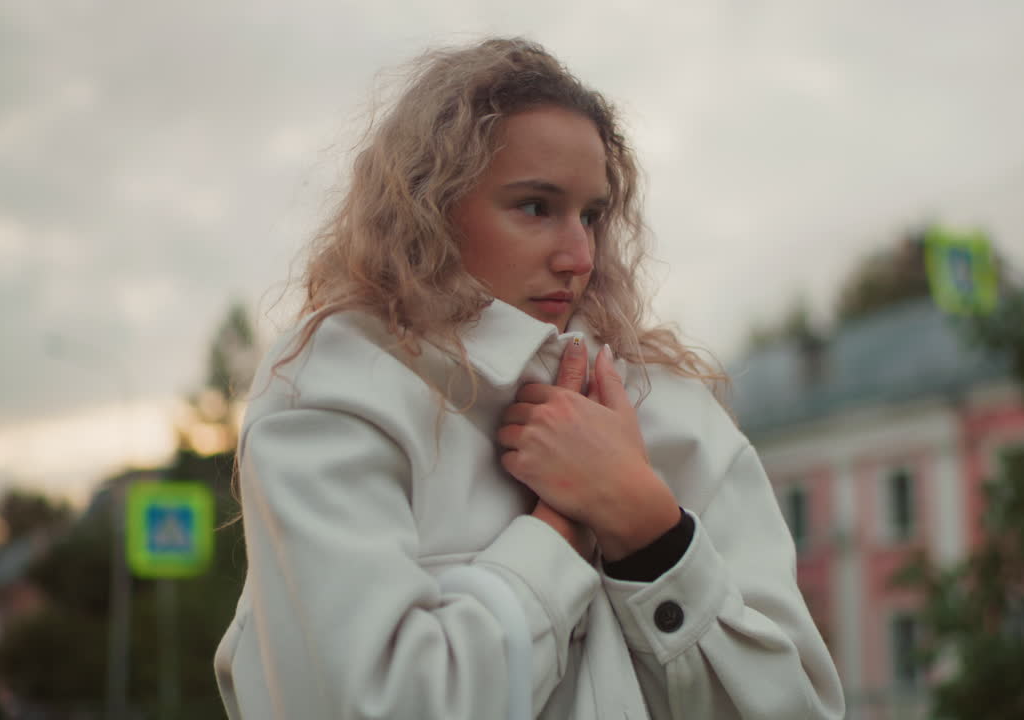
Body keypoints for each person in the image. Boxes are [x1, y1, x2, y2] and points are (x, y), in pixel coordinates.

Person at [214, 37, 845, 720]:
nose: (579, 255)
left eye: (592, 216)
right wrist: (558, 535)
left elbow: (802, 707)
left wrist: (649, 530)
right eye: (537, 207)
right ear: (433, 205)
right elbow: (378, 704)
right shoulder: (338, 392)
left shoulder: (674, 413)